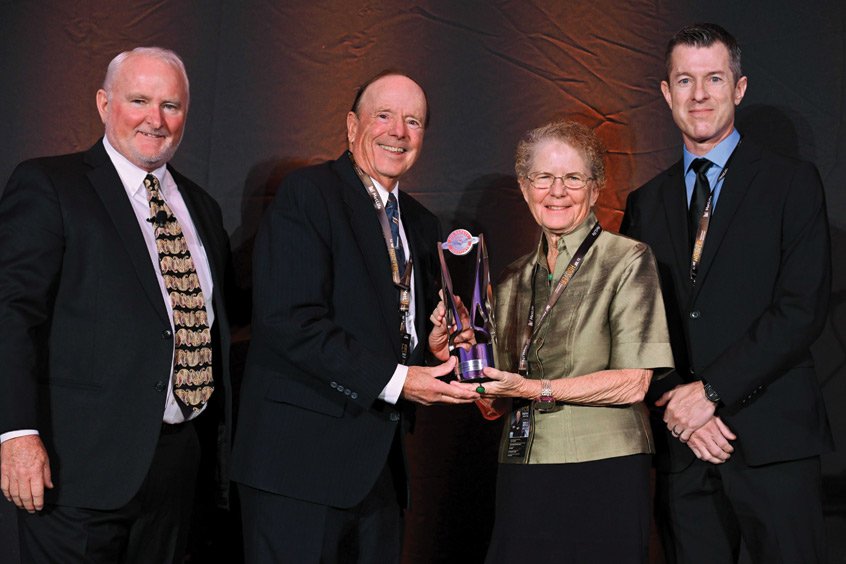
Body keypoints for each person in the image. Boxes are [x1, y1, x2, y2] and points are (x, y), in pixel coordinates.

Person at [230, 70, 480, 563]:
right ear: (351, 126)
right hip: (298, 468)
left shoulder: (422, 223)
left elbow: (398, 331)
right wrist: (400, 381)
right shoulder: (309, 193)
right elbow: (289, 321)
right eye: (383, 115)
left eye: (414, 121)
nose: (398, 131)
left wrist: (433, 346)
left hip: (378, 471)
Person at [0, 47, 232, 563]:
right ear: (104, 104)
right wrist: (16, 433)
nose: (156, 119)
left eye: (171, 105)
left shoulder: (203, 208)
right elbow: (10, 315)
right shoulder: (50, 185)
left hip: (175, 470)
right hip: (73, 468)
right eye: (139, 100)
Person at [620, 23, 832, 563]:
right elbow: (635, 319)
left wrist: (709, 392)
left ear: (738, 88)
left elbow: (801, 309)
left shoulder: (792, 183)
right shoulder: (645, 201)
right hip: (682, 446)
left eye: (713, 79)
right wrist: (677, 401)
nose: (699, 95)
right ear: (666, 93)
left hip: (772, 443)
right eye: (684, 81)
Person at [435, 120, 674, 563]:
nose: (557, 190)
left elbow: (634, 383)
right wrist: (457, 348)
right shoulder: (508, 280)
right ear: (526, 189)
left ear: (596, 188)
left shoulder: (628, 260)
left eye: (573, 178)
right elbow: (494, 405)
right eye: (544, 177)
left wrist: (534, 389)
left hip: (604, 468)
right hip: (523, 469)